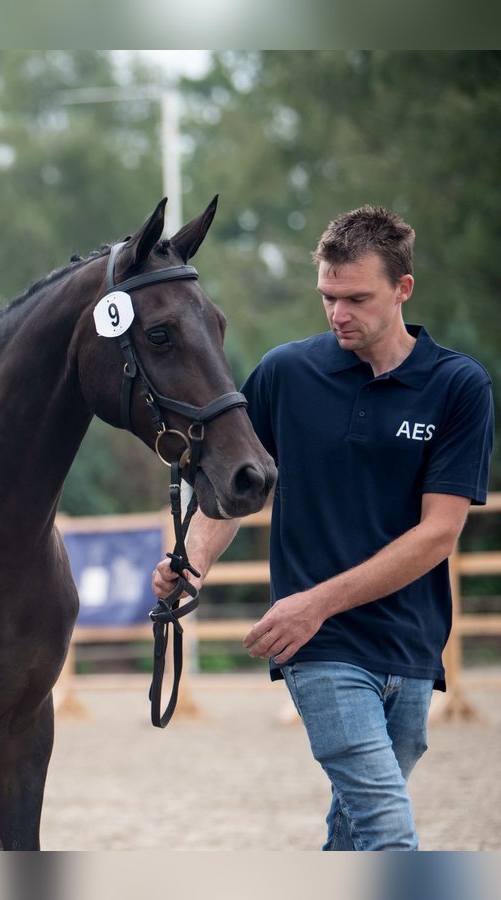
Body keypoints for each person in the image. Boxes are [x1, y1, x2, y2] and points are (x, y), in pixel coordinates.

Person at [153, 205, 494, 850]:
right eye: (328, 298)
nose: (338, 314)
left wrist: (316, 602)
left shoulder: (457, 387)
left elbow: (437, 535)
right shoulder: (287, 375)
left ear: (403, 289)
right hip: (319, 650)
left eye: (356, 298)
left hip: (412, 646)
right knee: (389, 830)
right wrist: (191, 563)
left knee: (357, 824)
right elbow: (235, 486)